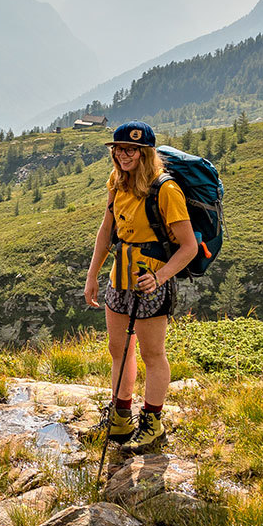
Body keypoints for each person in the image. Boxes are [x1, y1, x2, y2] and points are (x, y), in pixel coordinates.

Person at [82, 121, 199, 454]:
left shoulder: (166, 190)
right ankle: (121, 416)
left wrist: (160, 278)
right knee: (119, 349)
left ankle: (152, 423)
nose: (122, 155)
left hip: (151, 280)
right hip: (120, 277)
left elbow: (188, 246)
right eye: (118, 149)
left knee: (152, 354)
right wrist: (93, 275)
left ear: (145, 153)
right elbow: (107, 231)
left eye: (130, 150)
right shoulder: (117, 183)